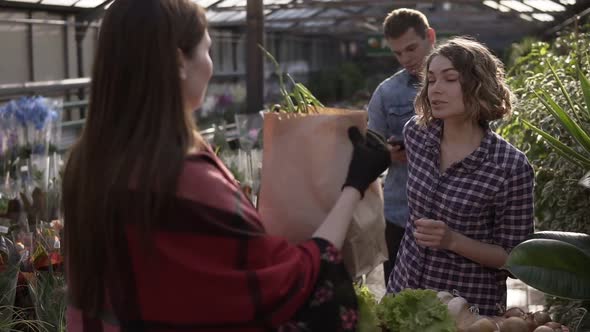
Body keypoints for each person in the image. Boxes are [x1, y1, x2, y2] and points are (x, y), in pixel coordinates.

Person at [61, 0, 390, 331]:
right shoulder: (185, 176)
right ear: (178, 61)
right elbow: (289, 280)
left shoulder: (85, 165)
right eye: (207, 50)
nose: (211, 65)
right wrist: (354, 185)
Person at [387, 37, 535, 316]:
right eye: (431, 80)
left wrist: (453, 240)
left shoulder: (509, 166)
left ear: (478, 85)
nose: (436, 90)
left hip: (468, 310)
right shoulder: (417, 134)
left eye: (450, 79)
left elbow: (516, 260)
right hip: (405, 293)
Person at [367, 8, 436, 284]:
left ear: (430, 36)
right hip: (401, 214)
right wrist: (388, 153)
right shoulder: (387, 93)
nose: (406, 59)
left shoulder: (464, 84)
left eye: (411, 48)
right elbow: (371, 148)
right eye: (398, 53)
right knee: (399, 300)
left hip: (454, 213)